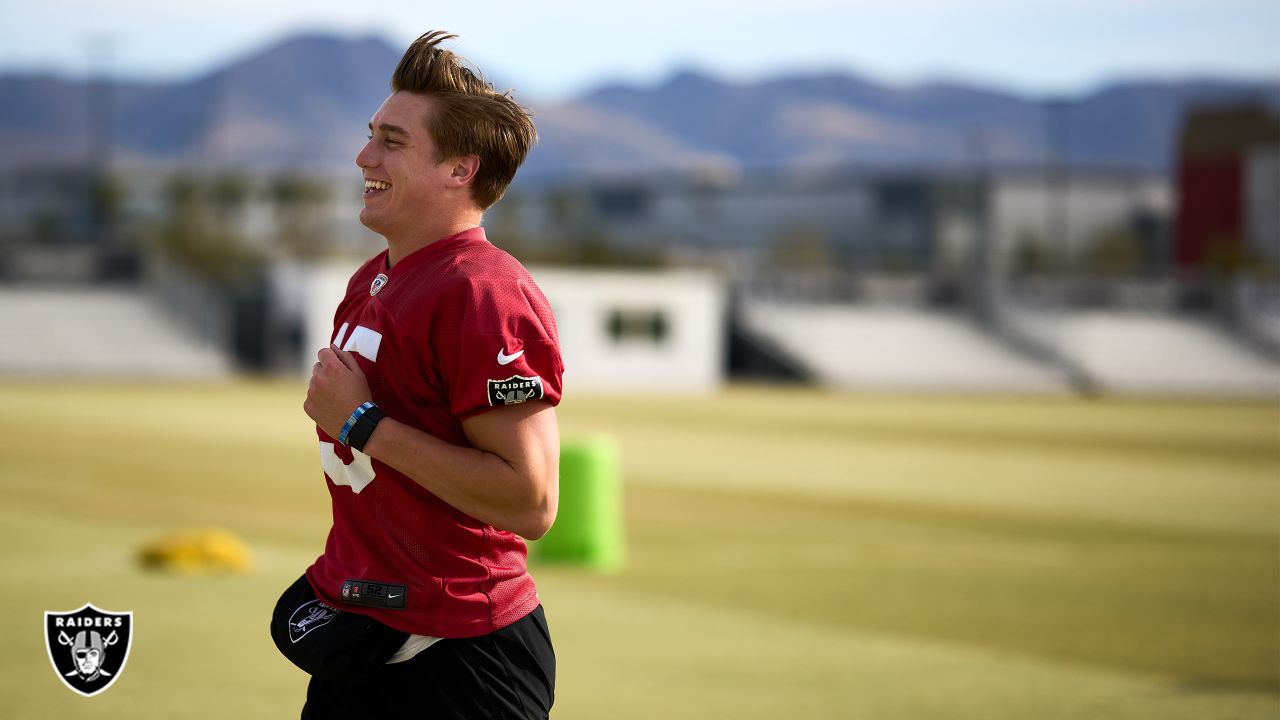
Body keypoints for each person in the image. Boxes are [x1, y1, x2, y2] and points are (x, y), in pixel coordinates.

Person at [270, 30, 561, 719]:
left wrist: (364, 424)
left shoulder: (482, 293)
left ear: (461, 169)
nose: (363, 156)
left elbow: (530, 500)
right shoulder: (372, 277)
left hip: (458, 654)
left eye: (392, 141)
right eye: (372, 135)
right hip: (364, 632)